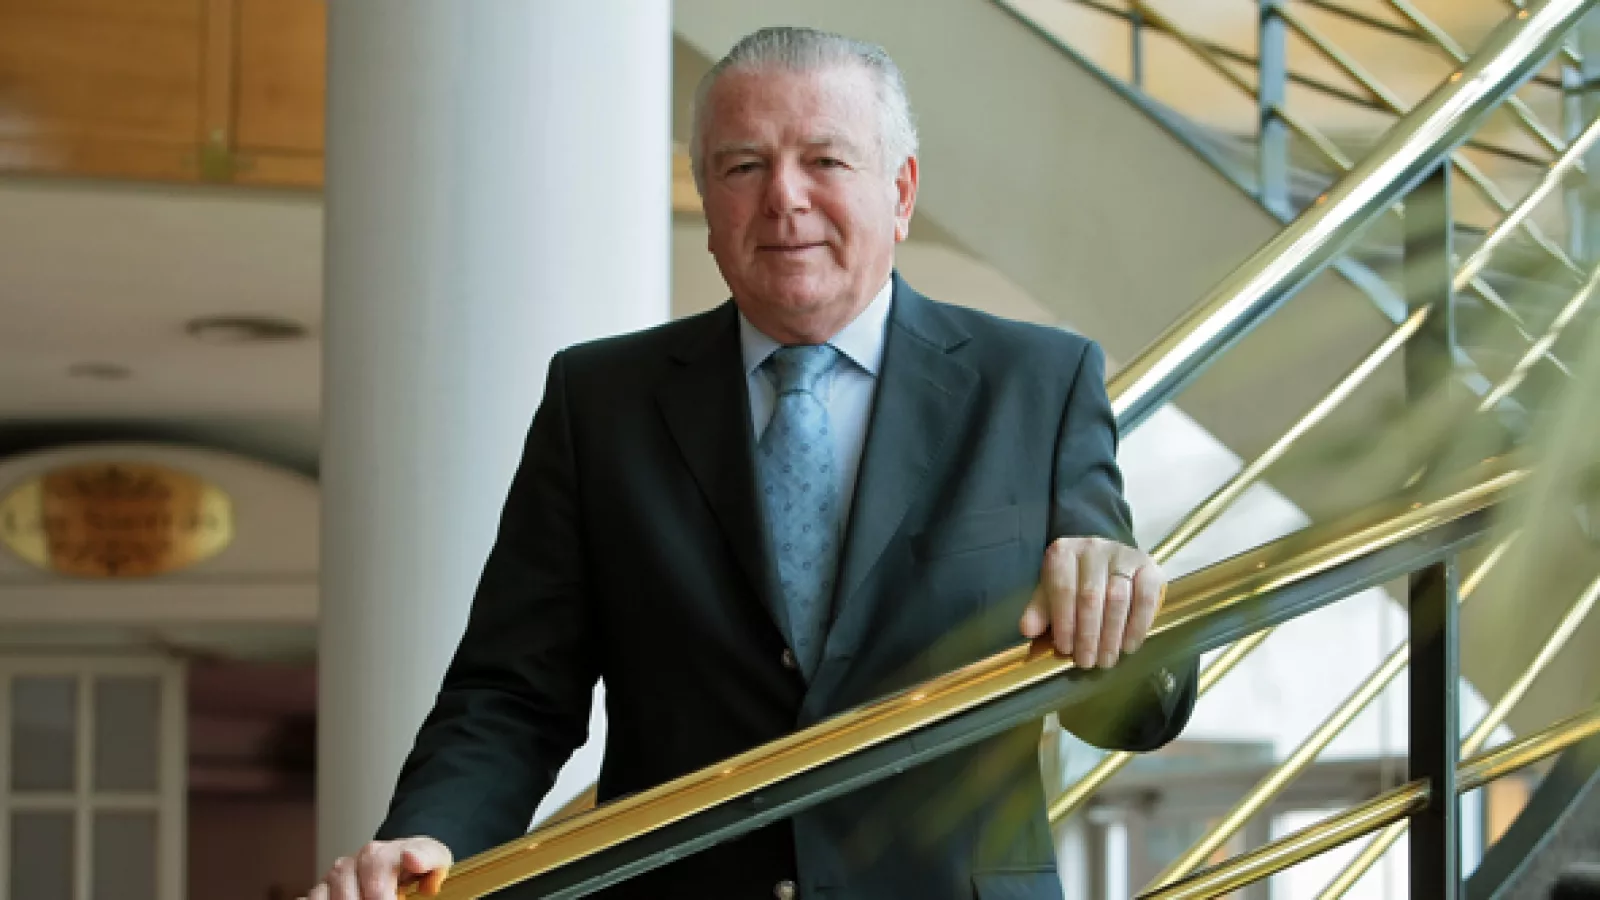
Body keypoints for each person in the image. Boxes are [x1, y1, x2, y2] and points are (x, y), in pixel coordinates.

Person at [305, 25, 1197, 900]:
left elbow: (1136, 710)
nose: (784, 198)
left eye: (826, 160)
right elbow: (513, 693)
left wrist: (1124, 609)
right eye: (742, 167)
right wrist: (434, 839)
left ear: (901, 192)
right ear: (705, 200)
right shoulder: (600, 402)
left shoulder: (1036, 383)